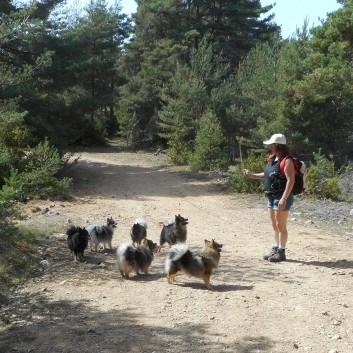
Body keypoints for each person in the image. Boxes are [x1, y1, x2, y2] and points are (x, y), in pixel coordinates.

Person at [243, 133, 295, 262]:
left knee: (281, 225)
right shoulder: (272, 159)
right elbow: (266, 175)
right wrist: (251, 175)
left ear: (277, 145)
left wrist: (284, 198)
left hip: (281, 197)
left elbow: (291, 180)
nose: (269, 147)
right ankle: (276, 248)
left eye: (271, 144)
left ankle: (282, 252)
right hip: (271, 197)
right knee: (274, 224)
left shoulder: (287, 160)